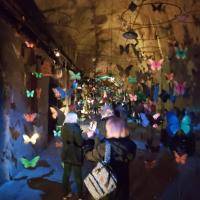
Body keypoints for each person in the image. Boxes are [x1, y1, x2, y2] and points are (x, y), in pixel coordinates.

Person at [85, 116, 137, 200]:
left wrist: (89, 140)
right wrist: (98, 135)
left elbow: (89, 156)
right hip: (122, 186)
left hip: (108, 186)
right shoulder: (131, 145)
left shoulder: (105, 147)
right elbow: (116, 144)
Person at [50, 107, 84, 200]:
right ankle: (80, 195)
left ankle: (65, 194)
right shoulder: (76, 128)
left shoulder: (63, 128)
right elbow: (80, 142)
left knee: (66, 175)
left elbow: (64, 140)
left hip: (66, 153)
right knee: (78, 176)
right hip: (76, 155)